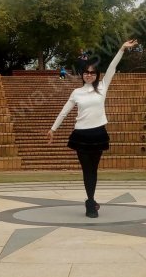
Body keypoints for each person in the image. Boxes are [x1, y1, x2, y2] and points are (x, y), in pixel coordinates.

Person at [48, 39, 139, 218]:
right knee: (86, 169)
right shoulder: (76, 92)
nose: (89, 75)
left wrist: (122, 49)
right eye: (86, 72)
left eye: (92, 73)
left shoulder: (103, 87)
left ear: (97, 75)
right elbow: (64, 112)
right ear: (82, 74)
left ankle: (90, 200)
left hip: (98, 133)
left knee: (93, 169)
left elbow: (112, 67)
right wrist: (53, 129)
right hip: (81, 135)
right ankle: (90, 203)